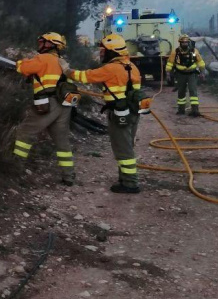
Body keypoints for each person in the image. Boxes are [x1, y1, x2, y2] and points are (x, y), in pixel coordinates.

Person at [63, 34, 143, 194]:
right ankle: (125, 178)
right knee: (127, 145)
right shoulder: (132, 67)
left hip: (119, 113)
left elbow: (85, 77)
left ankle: (130, 183)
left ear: (112, 52)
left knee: (123, 148)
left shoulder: (111, 68)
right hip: (133, 112)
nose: (101, 54)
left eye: (103, 51)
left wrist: (66, 70)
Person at [10, 32, 76, 186]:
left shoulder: (43, 58)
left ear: (50, 44)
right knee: (62, 141)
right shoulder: (62, 62)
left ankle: (16, 167)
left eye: (42, 42)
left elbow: (24, 68)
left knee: (24, 132)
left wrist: (20, 63)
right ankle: (69, 176)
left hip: (47, 104)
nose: (39, 44)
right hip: (64, 106)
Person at [167, 34, 206, 116]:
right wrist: (168, 73)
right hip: (180, 74)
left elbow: (200, 62)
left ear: (188, 42)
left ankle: (195, 110)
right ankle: (181, 110)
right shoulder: (176, 52)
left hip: (192, 74)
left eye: (186, 42)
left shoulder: (194, 51)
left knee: (193, 91)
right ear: (180, 43)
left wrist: (202, 72)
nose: (185, 44)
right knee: (181, 92)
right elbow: (170, 63)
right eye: (183, 42)